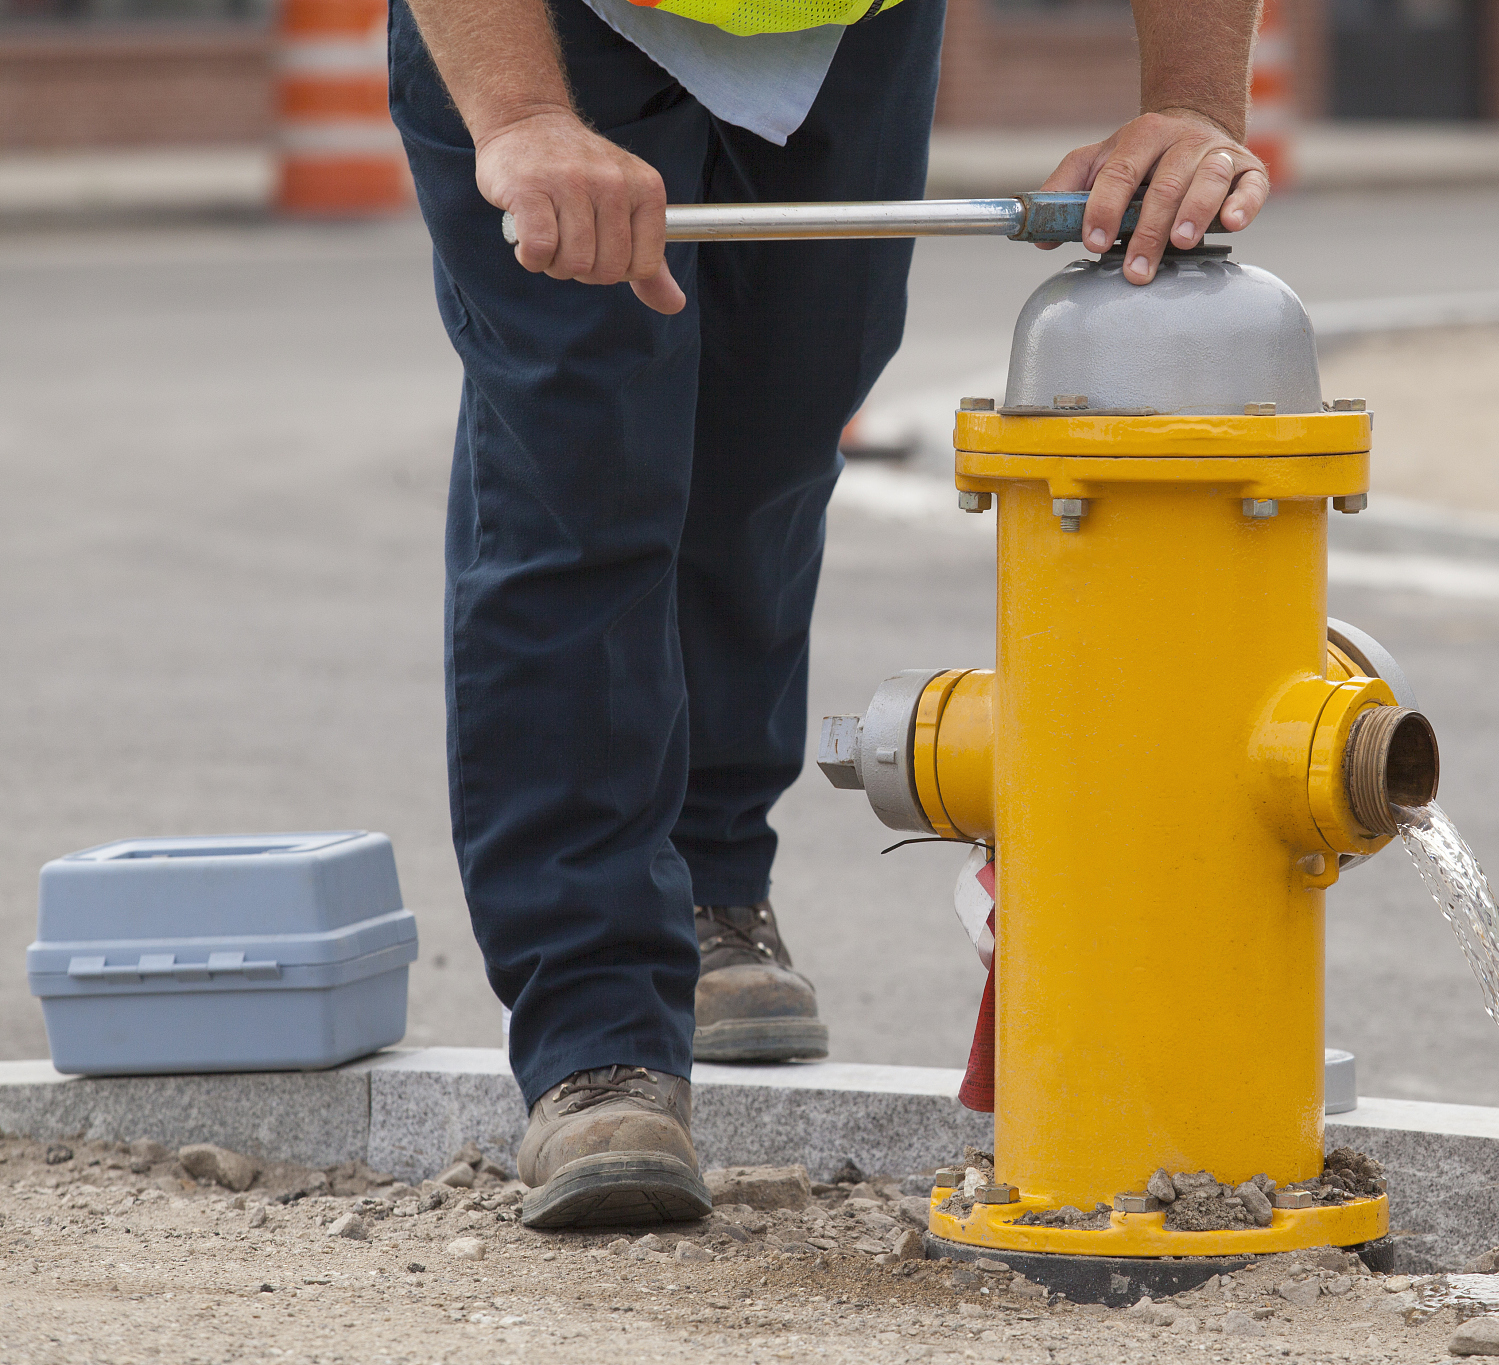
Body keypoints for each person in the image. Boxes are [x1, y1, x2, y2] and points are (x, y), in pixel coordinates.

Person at [390, 0, 1272, 1228]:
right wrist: (524, 116)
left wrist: (1191, 107)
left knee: (772, 438)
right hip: (563, 25)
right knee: (582, 470)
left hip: (842, 27)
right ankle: (596, 1038)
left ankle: (706, 893)